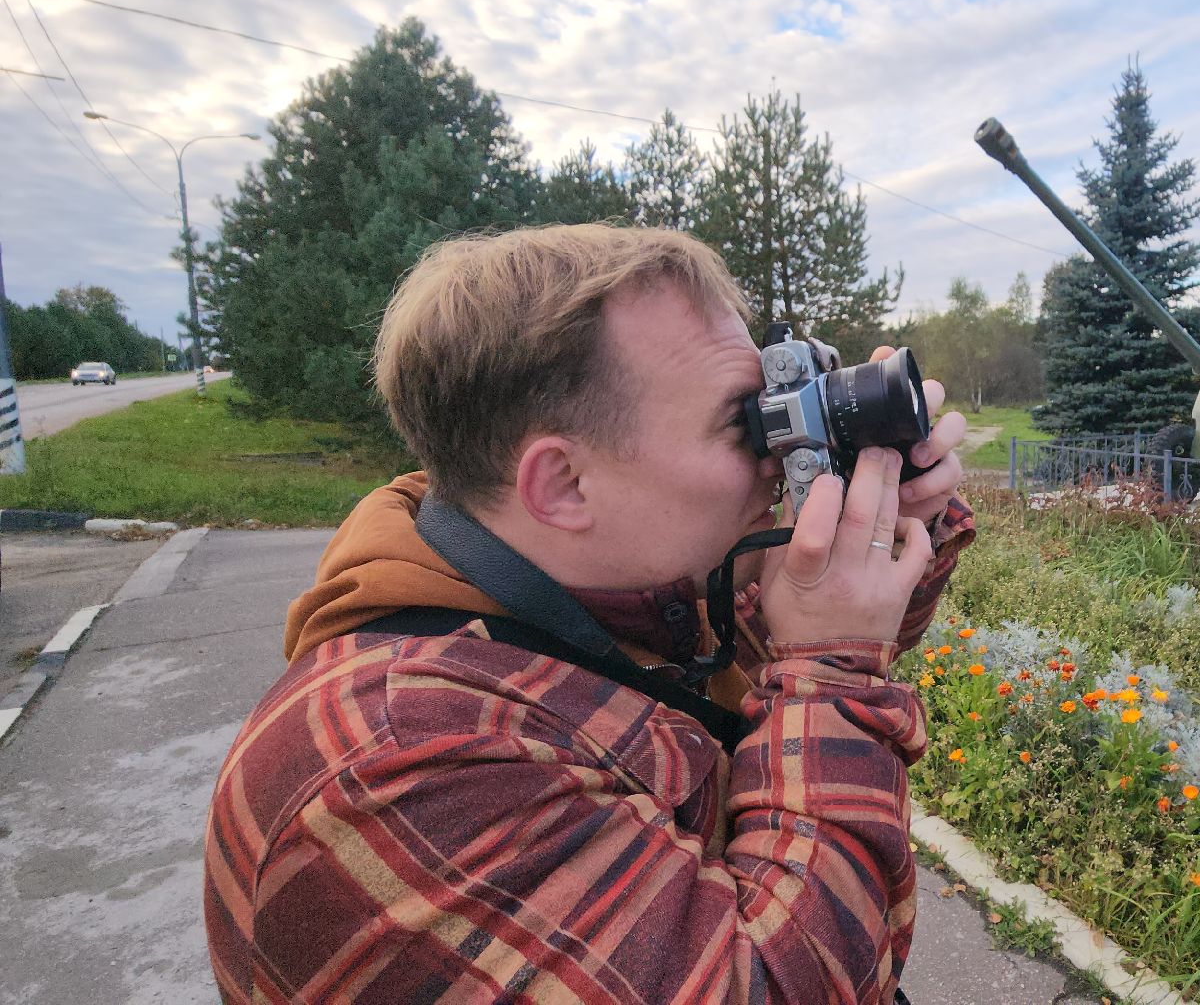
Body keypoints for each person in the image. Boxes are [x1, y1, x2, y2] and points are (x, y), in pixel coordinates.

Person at [203, 224, 974, 1004]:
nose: (776, 451)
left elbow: (765, 652)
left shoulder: (594, 580)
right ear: (564, 485)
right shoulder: (402, 770)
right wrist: (834, 665)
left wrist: (896, 520)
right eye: (743, 422)